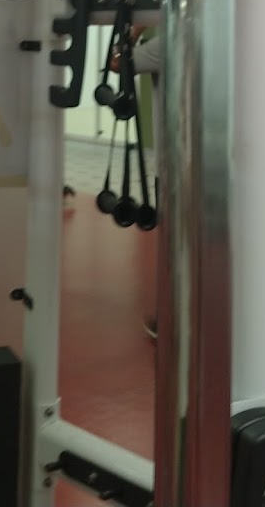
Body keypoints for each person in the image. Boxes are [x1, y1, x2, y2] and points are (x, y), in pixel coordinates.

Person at [110, 25, 160, 340]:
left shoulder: (164, 45)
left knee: (177, 245)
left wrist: (133, 31)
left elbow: (117, 63)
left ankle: (173, 316)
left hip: (176, 164)